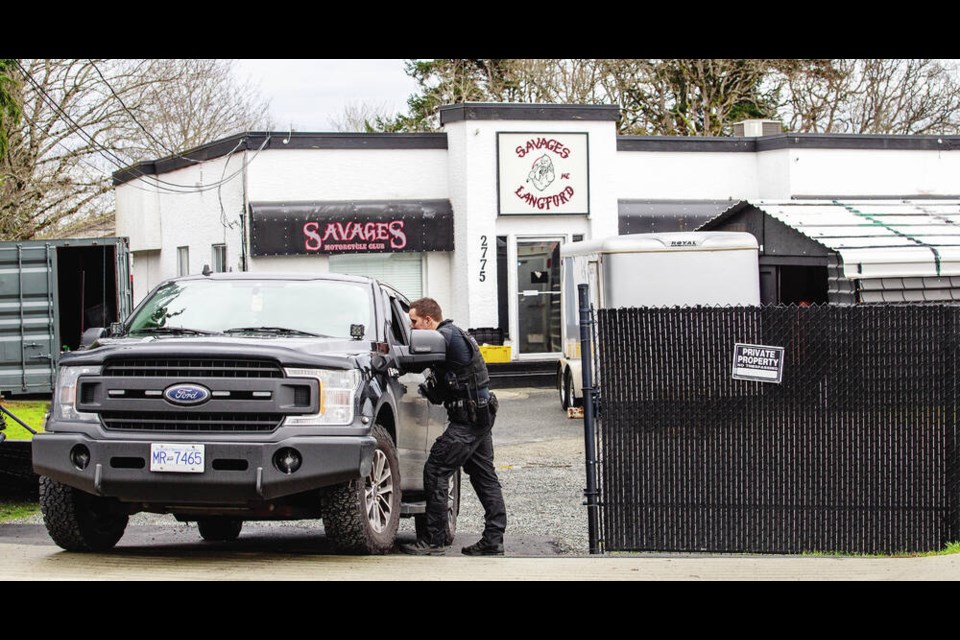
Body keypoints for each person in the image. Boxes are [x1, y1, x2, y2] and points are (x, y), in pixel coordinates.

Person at [399, 298, 507, 556]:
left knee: (436, 469)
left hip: (469, 418)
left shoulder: (444, 336)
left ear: (428, 320)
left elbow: (412, 362)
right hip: (477, 414)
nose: (412, 329)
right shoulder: (453, 335)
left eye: (414, 322)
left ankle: (433, 541)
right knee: (483, 475)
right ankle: (494, 539)